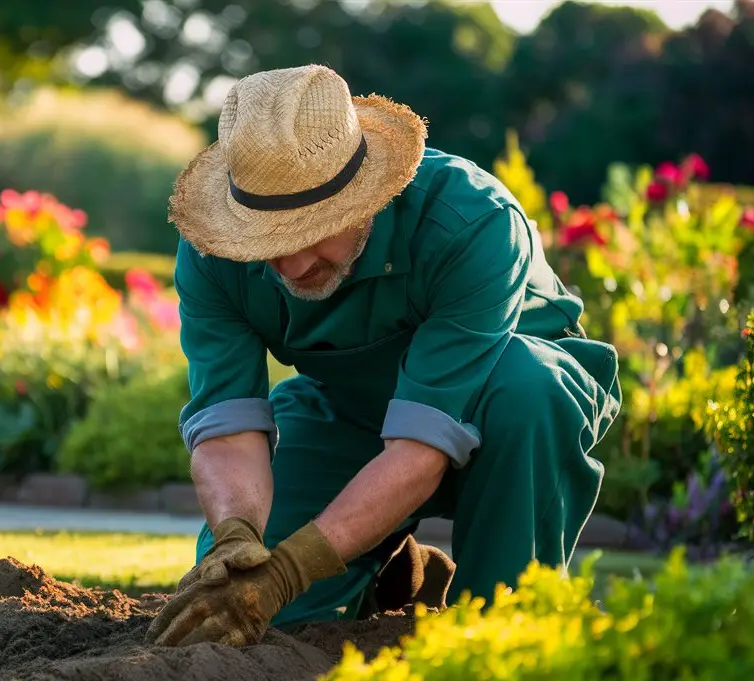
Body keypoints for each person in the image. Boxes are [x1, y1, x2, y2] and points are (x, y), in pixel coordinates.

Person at [145, 64, 623, 648]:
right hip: (353, 408)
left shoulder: (470, 221)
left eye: (306, 232)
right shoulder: (212, 254)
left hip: (505, 412)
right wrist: (237, 538)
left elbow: (422, 445)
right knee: (252, 620)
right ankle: (393, 571)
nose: (291, 265)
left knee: (529, 390)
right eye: (265, 243)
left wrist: (292, 570)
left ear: (365, 197)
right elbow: (228, 426)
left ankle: (508, 628)